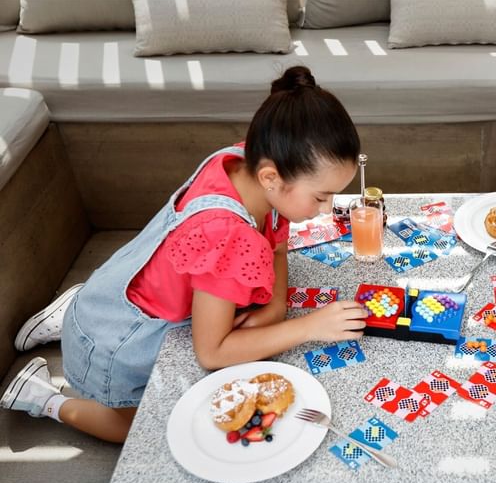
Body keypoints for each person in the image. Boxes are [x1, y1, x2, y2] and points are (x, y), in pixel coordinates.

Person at [1, 66, 368, 443]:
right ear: (271, 178)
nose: (327, 209)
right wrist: (310, 327)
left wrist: (275, 309)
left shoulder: (247, 161)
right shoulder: (229, 235)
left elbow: (275, 244)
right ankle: (42, 398)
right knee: (149, 434)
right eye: (321, 197)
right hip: (119, 342)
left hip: (116, 290)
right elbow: (212, 352)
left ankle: (77, 310)